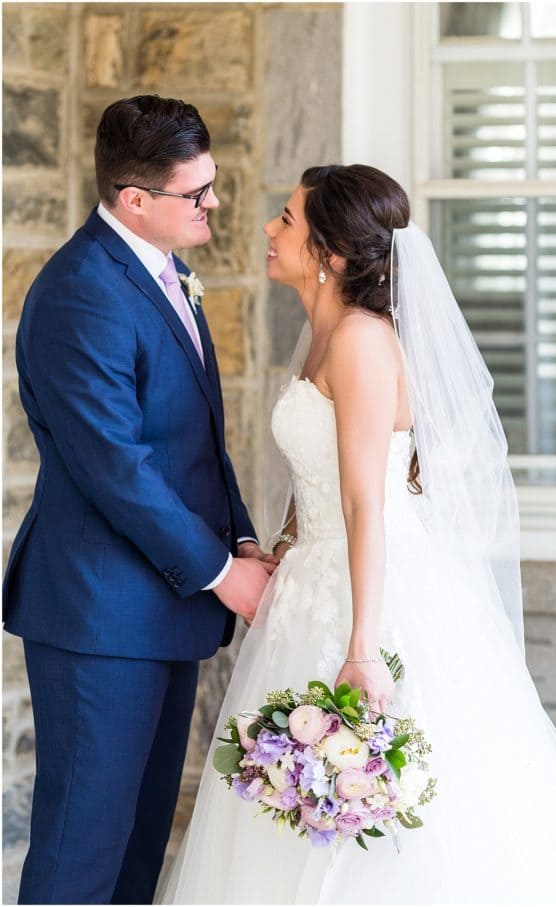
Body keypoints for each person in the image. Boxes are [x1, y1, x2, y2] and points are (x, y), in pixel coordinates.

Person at [159, 165, 556, 903]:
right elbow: (322, 474)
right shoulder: (323, 332)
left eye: (286, 219)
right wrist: (280, 543)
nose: (269, 229)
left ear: (330, 252)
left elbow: (368, 503)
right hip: (313, 579)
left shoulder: (363, 341)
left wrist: (362, 648)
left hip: (372, 592)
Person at [2, 95, 273, 905]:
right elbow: (116, 466)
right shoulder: (83, 290)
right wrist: (223, 571)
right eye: (199, 194)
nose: (214, 204)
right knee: (81, 848)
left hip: (159, 605)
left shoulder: (165, 272)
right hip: (100, 617)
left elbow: (192, 441)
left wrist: (245, 540)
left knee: (138, 845)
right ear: (135, 200)